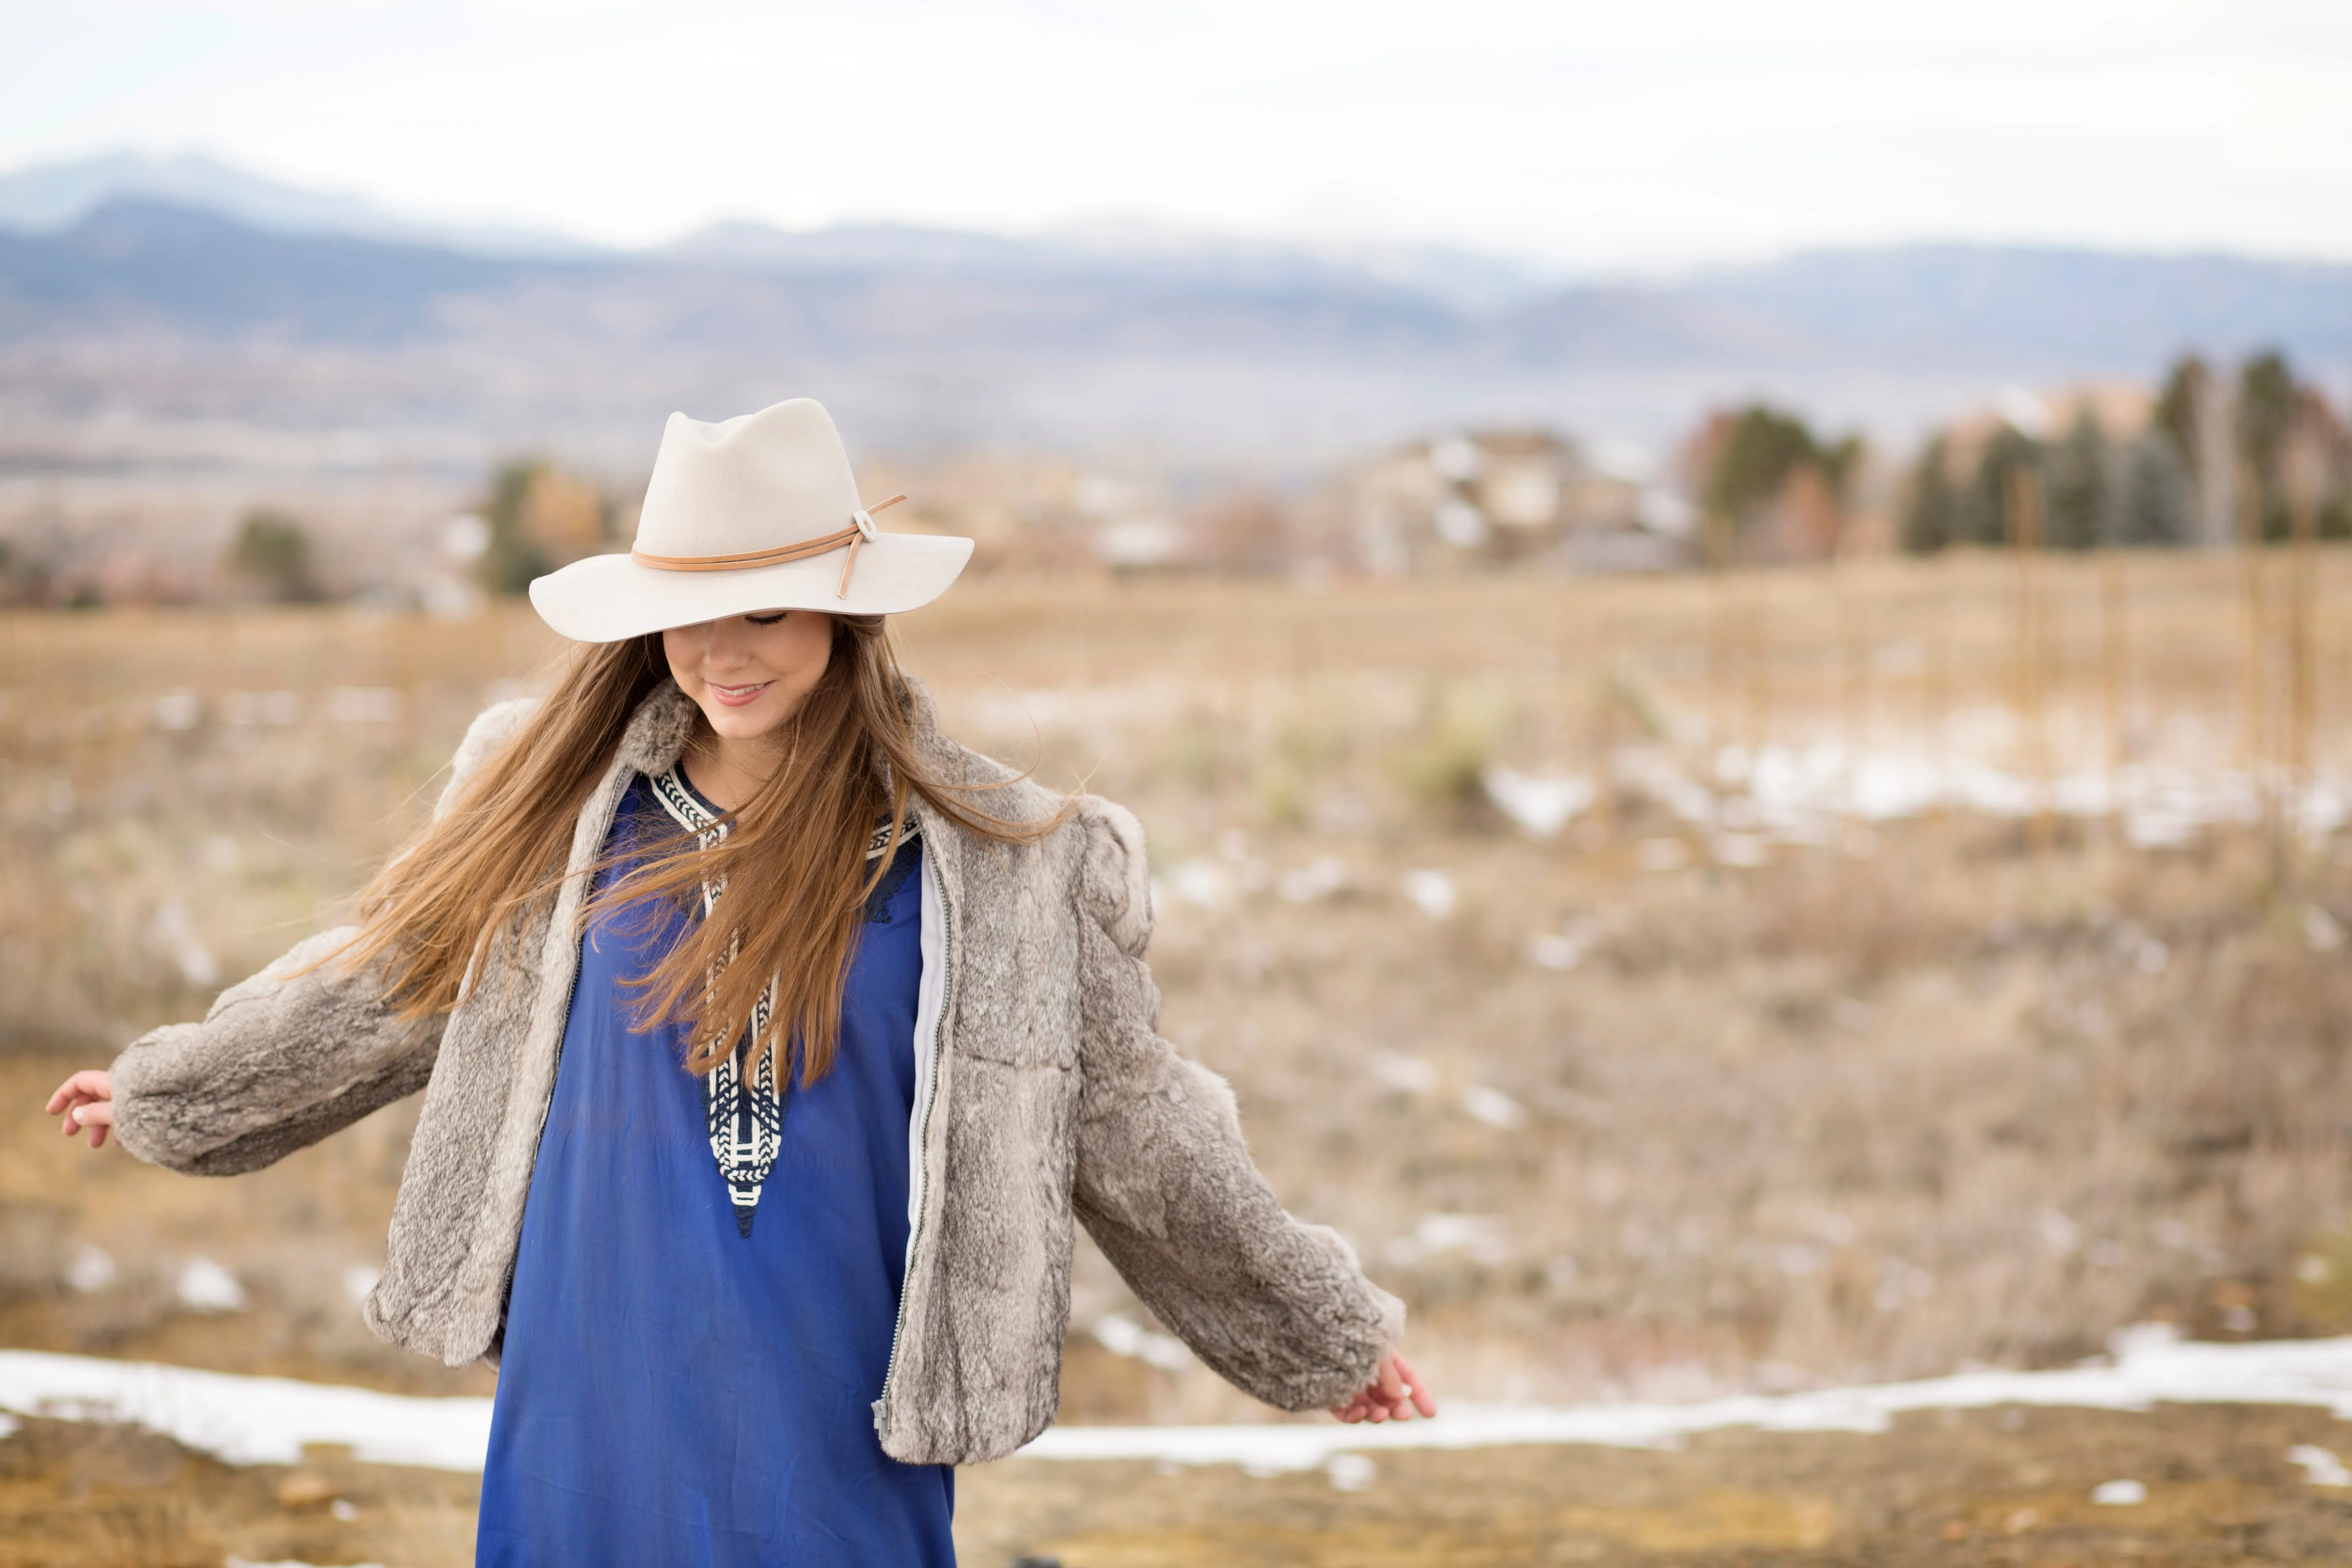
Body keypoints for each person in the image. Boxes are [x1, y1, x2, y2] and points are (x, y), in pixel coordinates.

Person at [46, 397, 1432, 1566]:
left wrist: (1323, 1332)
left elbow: (1140, 1127)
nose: (721, 652)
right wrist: (178, 1091)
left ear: (846, 618)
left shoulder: (1003, 866)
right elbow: (386, 980)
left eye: (764, 611)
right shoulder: (562, 812)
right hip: (597, 1370)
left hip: (836, 1394)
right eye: (686, 616)